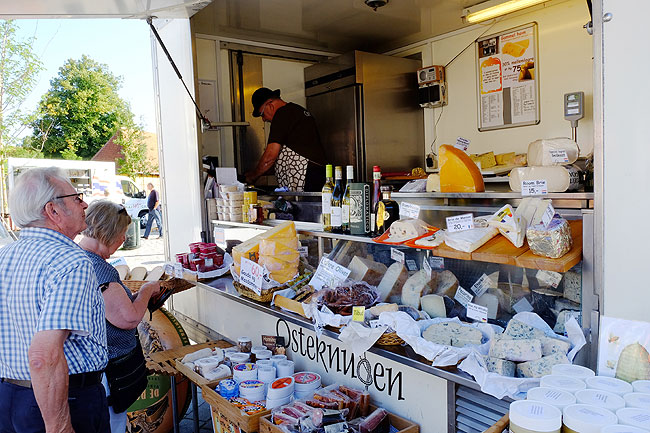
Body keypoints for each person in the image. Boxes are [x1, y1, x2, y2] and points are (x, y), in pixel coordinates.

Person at [0, 167, 109, 432]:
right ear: (53, 210)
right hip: (61, 402)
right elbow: (43, 355)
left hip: (9, 398)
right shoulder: (70, 261)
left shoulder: (4, 257)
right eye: (76, 197)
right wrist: (59, 427)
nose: (84, 204)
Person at [79, 200, 161, 433]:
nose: (124, 239)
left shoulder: (77, 256)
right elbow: (128, 318)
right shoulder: (99, 267)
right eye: (122, 233)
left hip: (93, 370)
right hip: (108, 373)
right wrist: (146, 290)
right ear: (108, 232)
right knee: (112, 425)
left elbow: (109, 307)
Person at [246, 87, 326, 191]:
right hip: (317, 175)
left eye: (262, 114)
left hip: (307, 176)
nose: (264, 119)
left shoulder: (281, 114)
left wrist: (253, 176)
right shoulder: (297, 110)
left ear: (270, 105)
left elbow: (270, 156)